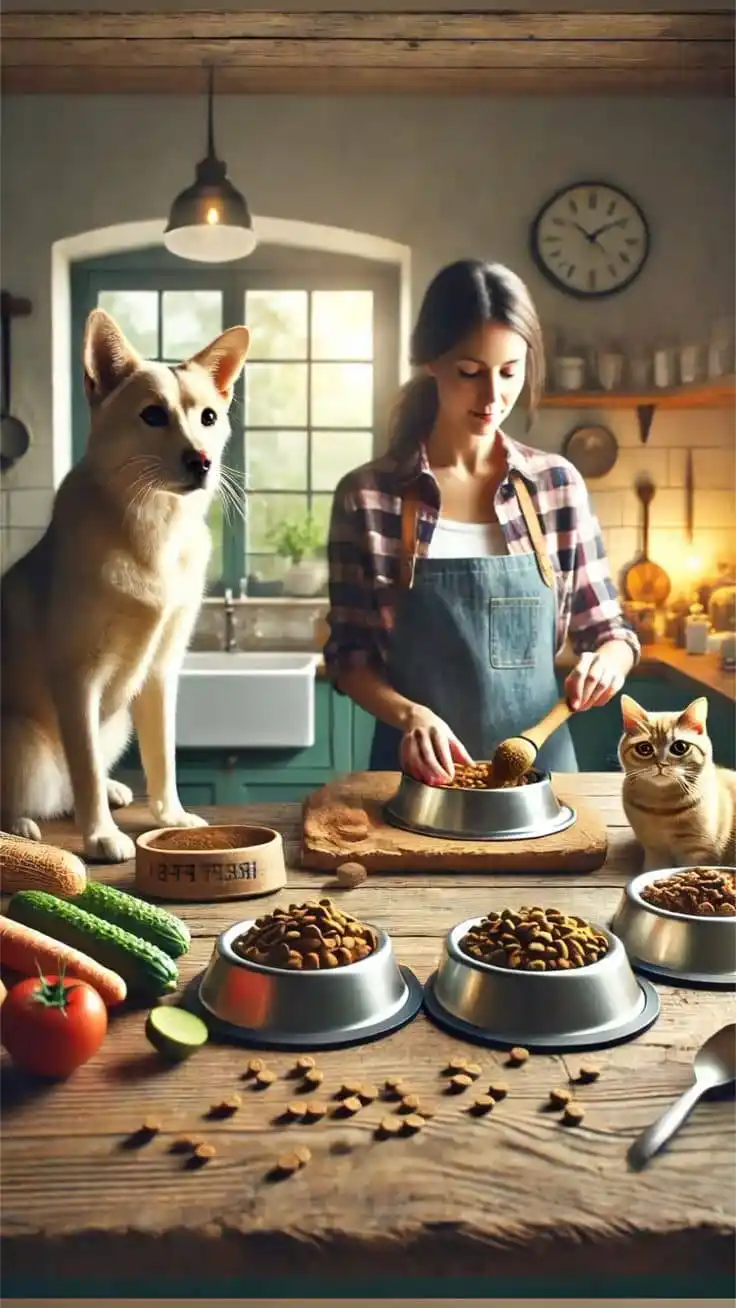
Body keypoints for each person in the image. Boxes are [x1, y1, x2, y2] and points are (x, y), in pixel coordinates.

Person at [324, 259, 640, 785]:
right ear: (430, 361)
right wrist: (410, 715)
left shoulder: (556, 486)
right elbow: (349, 656)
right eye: (470, 373)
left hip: (545, 778)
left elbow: (609, 632)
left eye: (510, 372)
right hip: (416, 781)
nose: (493, 396)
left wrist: (607, 661)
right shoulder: (370, 497)